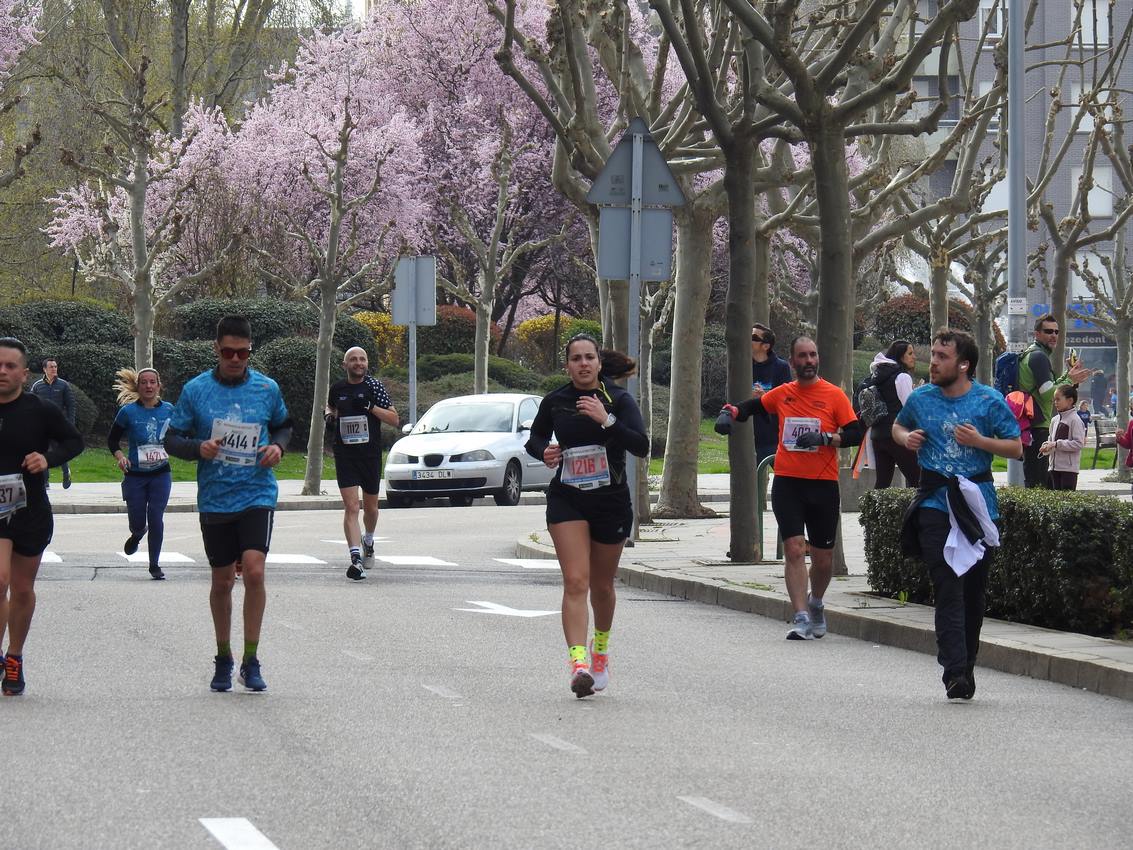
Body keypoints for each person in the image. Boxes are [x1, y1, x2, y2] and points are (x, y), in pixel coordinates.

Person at [164, 316, 291, 693]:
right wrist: (197, 448)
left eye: (243, 353)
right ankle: (224, 656)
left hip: (257, 492)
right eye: (228, 352)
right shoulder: (196, 390)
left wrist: (278, 447)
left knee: (253, 571)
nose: (236, 359)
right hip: (216, 498)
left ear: (251, 351)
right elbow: (173, 438)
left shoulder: (266, 388)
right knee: (222, 581)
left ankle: (251, 659)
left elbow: (285, 424)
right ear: (216, 350)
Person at [893, 329, 1022, 700]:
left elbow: (1015, 448)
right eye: (932, 354)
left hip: (978, 506)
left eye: (941, 356)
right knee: (947, 584)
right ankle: (954, 671)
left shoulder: (989, 401)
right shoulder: (920, 398)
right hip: (934, 501)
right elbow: (898, 425)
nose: (932, 362)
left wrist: (980, 442)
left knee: (973, 592)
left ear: (963, 364)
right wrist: (906, 438)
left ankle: (966, 665)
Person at [524, 334, 649, 698]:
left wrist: (607, 420)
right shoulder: (556, 401)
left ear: (598, 363)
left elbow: (641, 445)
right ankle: (578, 664)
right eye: (575, 358)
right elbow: (534, 438)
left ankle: (600, 652)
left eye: (588, 358)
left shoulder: (618, 400)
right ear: (567, 365)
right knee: (576, 581)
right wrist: (544, 451)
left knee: (602, 586)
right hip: (568, 499)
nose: (582, 364)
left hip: (610, 501)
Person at [716, 336, 863, 640]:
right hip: (788, 483)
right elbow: (753, 406)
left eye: (813, 355)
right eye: (802, 356)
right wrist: (731, 413)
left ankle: (816, 602)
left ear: (817, 359)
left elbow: (854, 433)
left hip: (823, 486)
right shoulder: (784, 394)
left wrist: (826, 439)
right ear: (793, 362)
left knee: (823, 560)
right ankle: (800, 615)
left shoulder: (834, 395)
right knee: (794, 549)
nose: (808, 361)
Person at [0, 337, 84, 695]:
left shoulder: (40, 410)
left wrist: (47, 458)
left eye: (9, 366)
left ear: (24, 373)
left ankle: (14, 657)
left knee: (22, 588)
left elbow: (73, 441)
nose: (2, 372)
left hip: (30, 508)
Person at [325, 346, 398, 581]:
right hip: (345, 454)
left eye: (362, 359)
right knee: (351, 507)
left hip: (370, 454)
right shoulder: (337, 388)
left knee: (371, 508)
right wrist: (329, 415)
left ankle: (368, 540)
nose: (359, 363)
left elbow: (394, 419)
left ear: (367, 363)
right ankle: (355, 559)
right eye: (353, 360)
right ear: (345, 365)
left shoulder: (374, 387)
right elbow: (331, 405)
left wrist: (370, 407)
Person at [108, 368, 175, 580]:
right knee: (137, 522)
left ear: (158, 385)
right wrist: (120, 457)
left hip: (161, 473)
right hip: (135, 475)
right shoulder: (128, 412)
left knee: (156, 516)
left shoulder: (169, 410)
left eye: (152, 382)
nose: (148, 386)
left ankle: (154, 564)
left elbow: (179, 434)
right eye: (144, 382)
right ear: (138, 386)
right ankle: (137, 534)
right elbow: (112, 441)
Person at [1018, 315, 1091, 488]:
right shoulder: (1038, 357)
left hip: (1033, 426)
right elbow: (1048, 394)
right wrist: (1069, 381)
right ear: (1037, 334)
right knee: (1039, 484)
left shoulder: (1033, 354)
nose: (1053, 335)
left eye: (1056, 332)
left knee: (1043, 482)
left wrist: (1068, 376)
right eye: (1048, 331)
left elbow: (1050, 388)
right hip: (1037, 427)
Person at [865, 340, 920, 489]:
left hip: (877, 435)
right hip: (897, 435)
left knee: (882, 483)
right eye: (910, 353)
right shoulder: (902, 377)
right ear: (900, 356)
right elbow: (909, 408)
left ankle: (874, 512)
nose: (914, 357)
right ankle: (917, 512)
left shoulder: (877, 376)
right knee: (918, 480)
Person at [750, 324, 792, 498]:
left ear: (765, 346)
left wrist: (765, 396)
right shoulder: (741, 366)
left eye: (753, 338)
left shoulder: (780, 367)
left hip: (773, 434)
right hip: (748, 433)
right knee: (750, 484)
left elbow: (788, 399)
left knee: (786, 480)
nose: (748, 340)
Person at [30, 356, 77, 489]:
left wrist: (70, 423)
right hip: (42, 426)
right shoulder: (37, 386)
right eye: (51, 367)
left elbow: (71, 405)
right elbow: (32, 404)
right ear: (44, 369)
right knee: (43, 452)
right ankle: (45, 481)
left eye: (55, 366)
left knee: (60, 450)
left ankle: (66, 472)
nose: (54, 369)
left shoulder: (63, 385)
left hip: (59, 425)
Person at [1040, 385, 1086, 491]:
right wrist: (1046, 446)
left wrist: (1057, 444)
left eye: (1058, 399)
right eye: (1054, 400)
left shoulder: (1075, 420)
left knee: (1066, 501)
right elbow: (1050, 439)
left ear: (1070, 400)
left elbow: (1078, 444)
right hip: (1053, 468)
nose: (1055, 402)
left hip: (1068, 470)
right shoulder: (1054, 420)